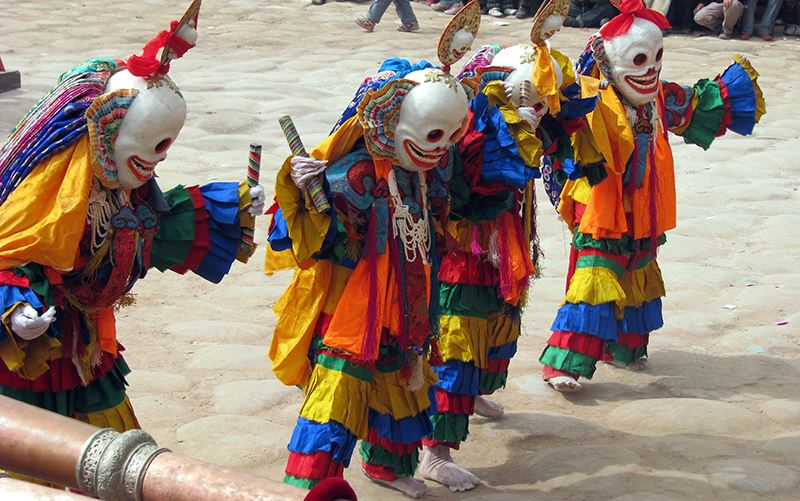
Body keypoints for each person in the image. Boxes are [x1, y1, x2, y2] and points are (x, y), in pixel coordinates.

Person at [0, 0, 266, 471]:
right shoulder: (47, 193)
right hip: (33, 352)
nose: (158, 161)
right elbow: (14, 246)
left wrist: (234, 207)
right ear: (105, 129)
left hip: (88, 344)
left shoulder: (132, 195)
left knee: (111, 456)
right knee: (30, 460)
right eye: (153, 145)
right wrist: (13, 306)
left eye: (165, 146)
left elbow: (160, 229)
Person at [267, 4, 482, 497]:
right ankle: (313, 484)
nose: (442, 147)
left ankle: (388, 465)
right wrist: (306, 191)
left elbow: (444, 216)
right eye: (433, 135)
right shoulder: (354, 174)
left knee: (400, 381)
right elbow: (324, 237)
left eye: (451, 136)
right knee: (341, 385)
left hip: (409, 298)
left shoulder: (431, 171)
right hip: (357, 304)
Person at [539, 0, 765, 392]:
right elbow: (563, 127)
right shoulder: (593, 102)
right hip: (602, 206)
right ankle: (566, 363)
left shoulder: (659, 98)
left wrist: (728, 95)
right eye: (639, 59)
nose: (650, 70)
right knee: (596, 276)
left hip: (644, 205)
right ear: (609, 64)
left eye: (657, 57)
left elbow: (692, 107)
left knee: (638, 271)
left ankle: (625, 347)